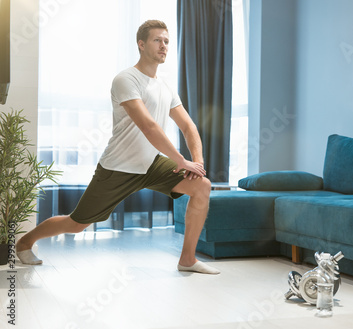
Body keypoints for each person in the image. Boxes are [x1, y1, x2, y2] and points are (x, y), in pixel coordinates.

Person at [16, 20, 219, 274]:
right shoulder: (125, 79)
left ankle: (187, 260)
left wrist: (196, 164)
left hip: (151, 163)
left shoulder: (165, 87)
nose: (164, 46)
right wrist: (180, 160)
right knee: (77, 223)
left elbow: (189, 128)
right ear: (141, 44)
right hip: (118, 166)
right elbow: (149, 127)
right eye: (157, 40)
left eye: (166, 41)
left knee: (202, 186)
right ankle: (25, 241)